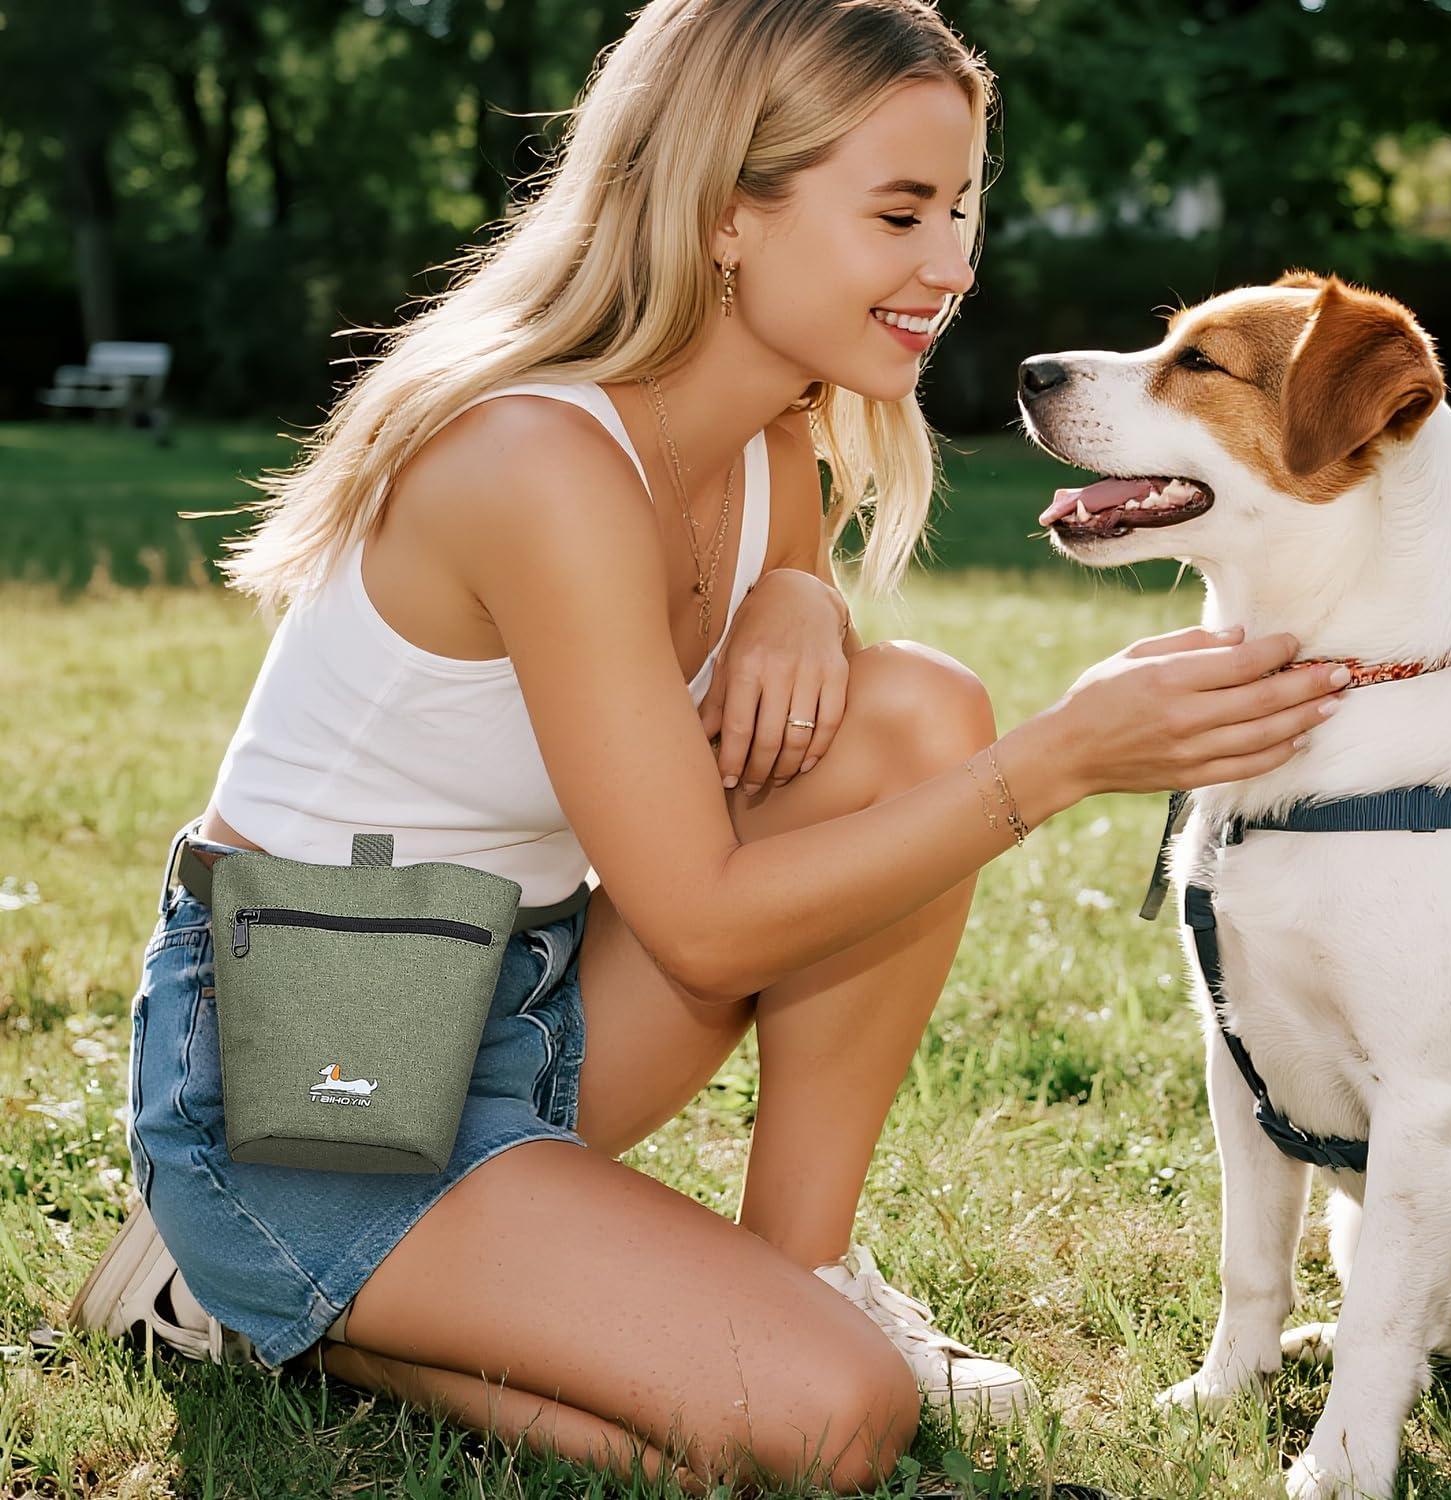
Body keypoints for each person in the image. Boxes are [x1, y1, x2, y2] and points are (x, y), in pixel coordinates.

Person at [69, 0, 1348, 1493]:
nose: (953, 265)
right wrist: (1061, 761)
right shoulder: (535, 463)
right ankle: (253, 1285)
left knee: (915, 712)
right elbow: (704, 925)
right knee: (830, 1423)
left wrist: (802, 590)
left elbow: (784, 587)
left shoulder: (767, 440)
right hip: (316, 1065)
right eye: (900, 214)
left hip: (531, 1008)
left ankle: (799, 1268)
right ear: (726, 211)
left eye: (959, 210)